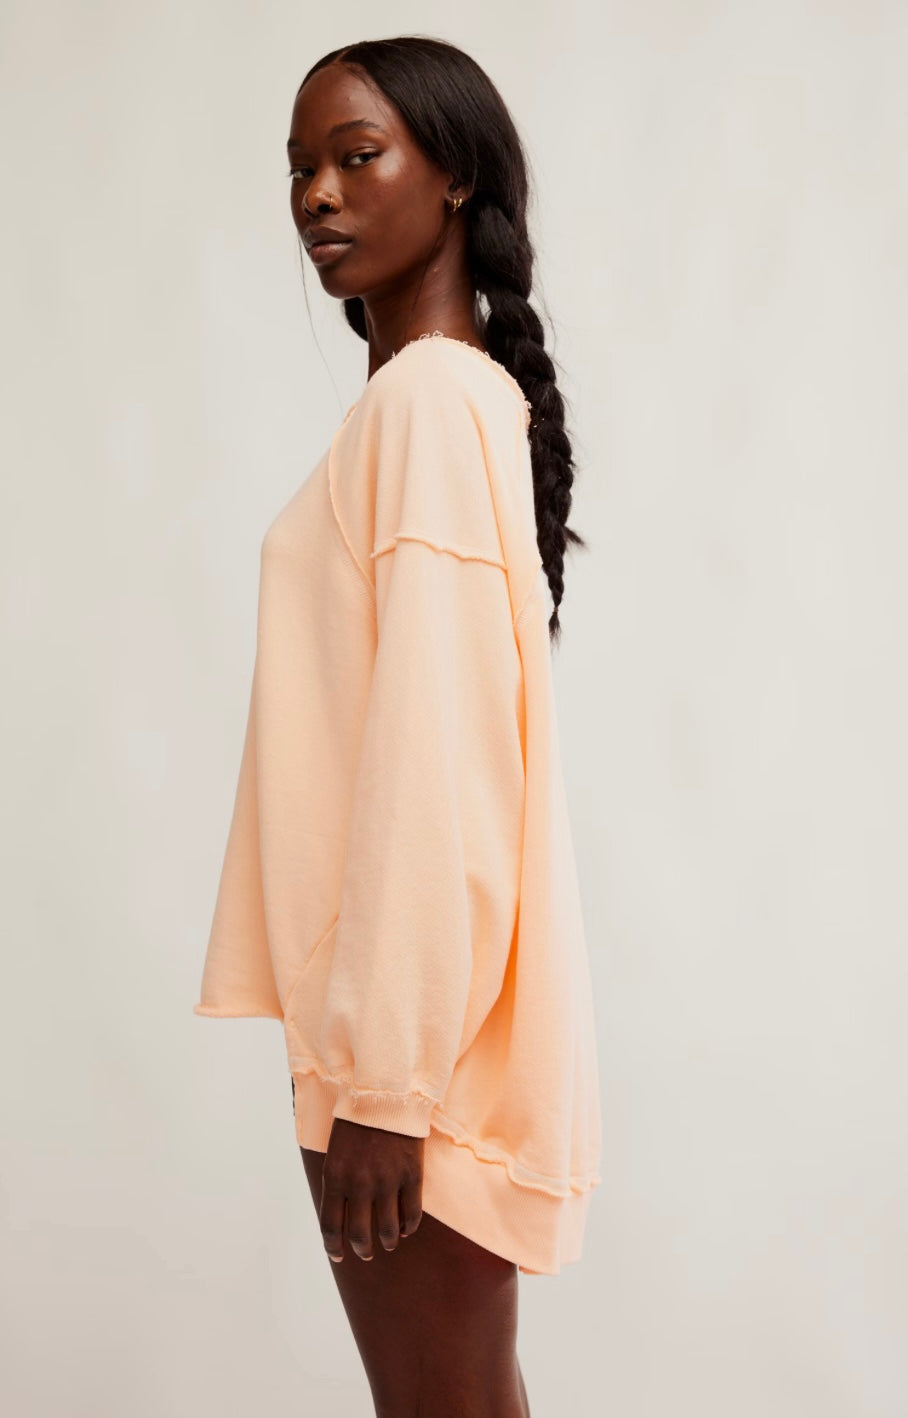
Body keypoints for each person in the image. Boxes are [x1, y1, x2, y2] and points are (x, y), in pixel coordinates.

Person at [194, 35, 602, 1418]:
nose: (317, 194)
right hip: (402, 1039)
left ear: (455, 176)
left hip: (409, 1065)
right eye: (300, 169)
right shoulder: (434, 400)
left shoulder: (429, 401)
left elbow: (441, 768)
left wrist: (385, 1083)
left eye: (356, 157)